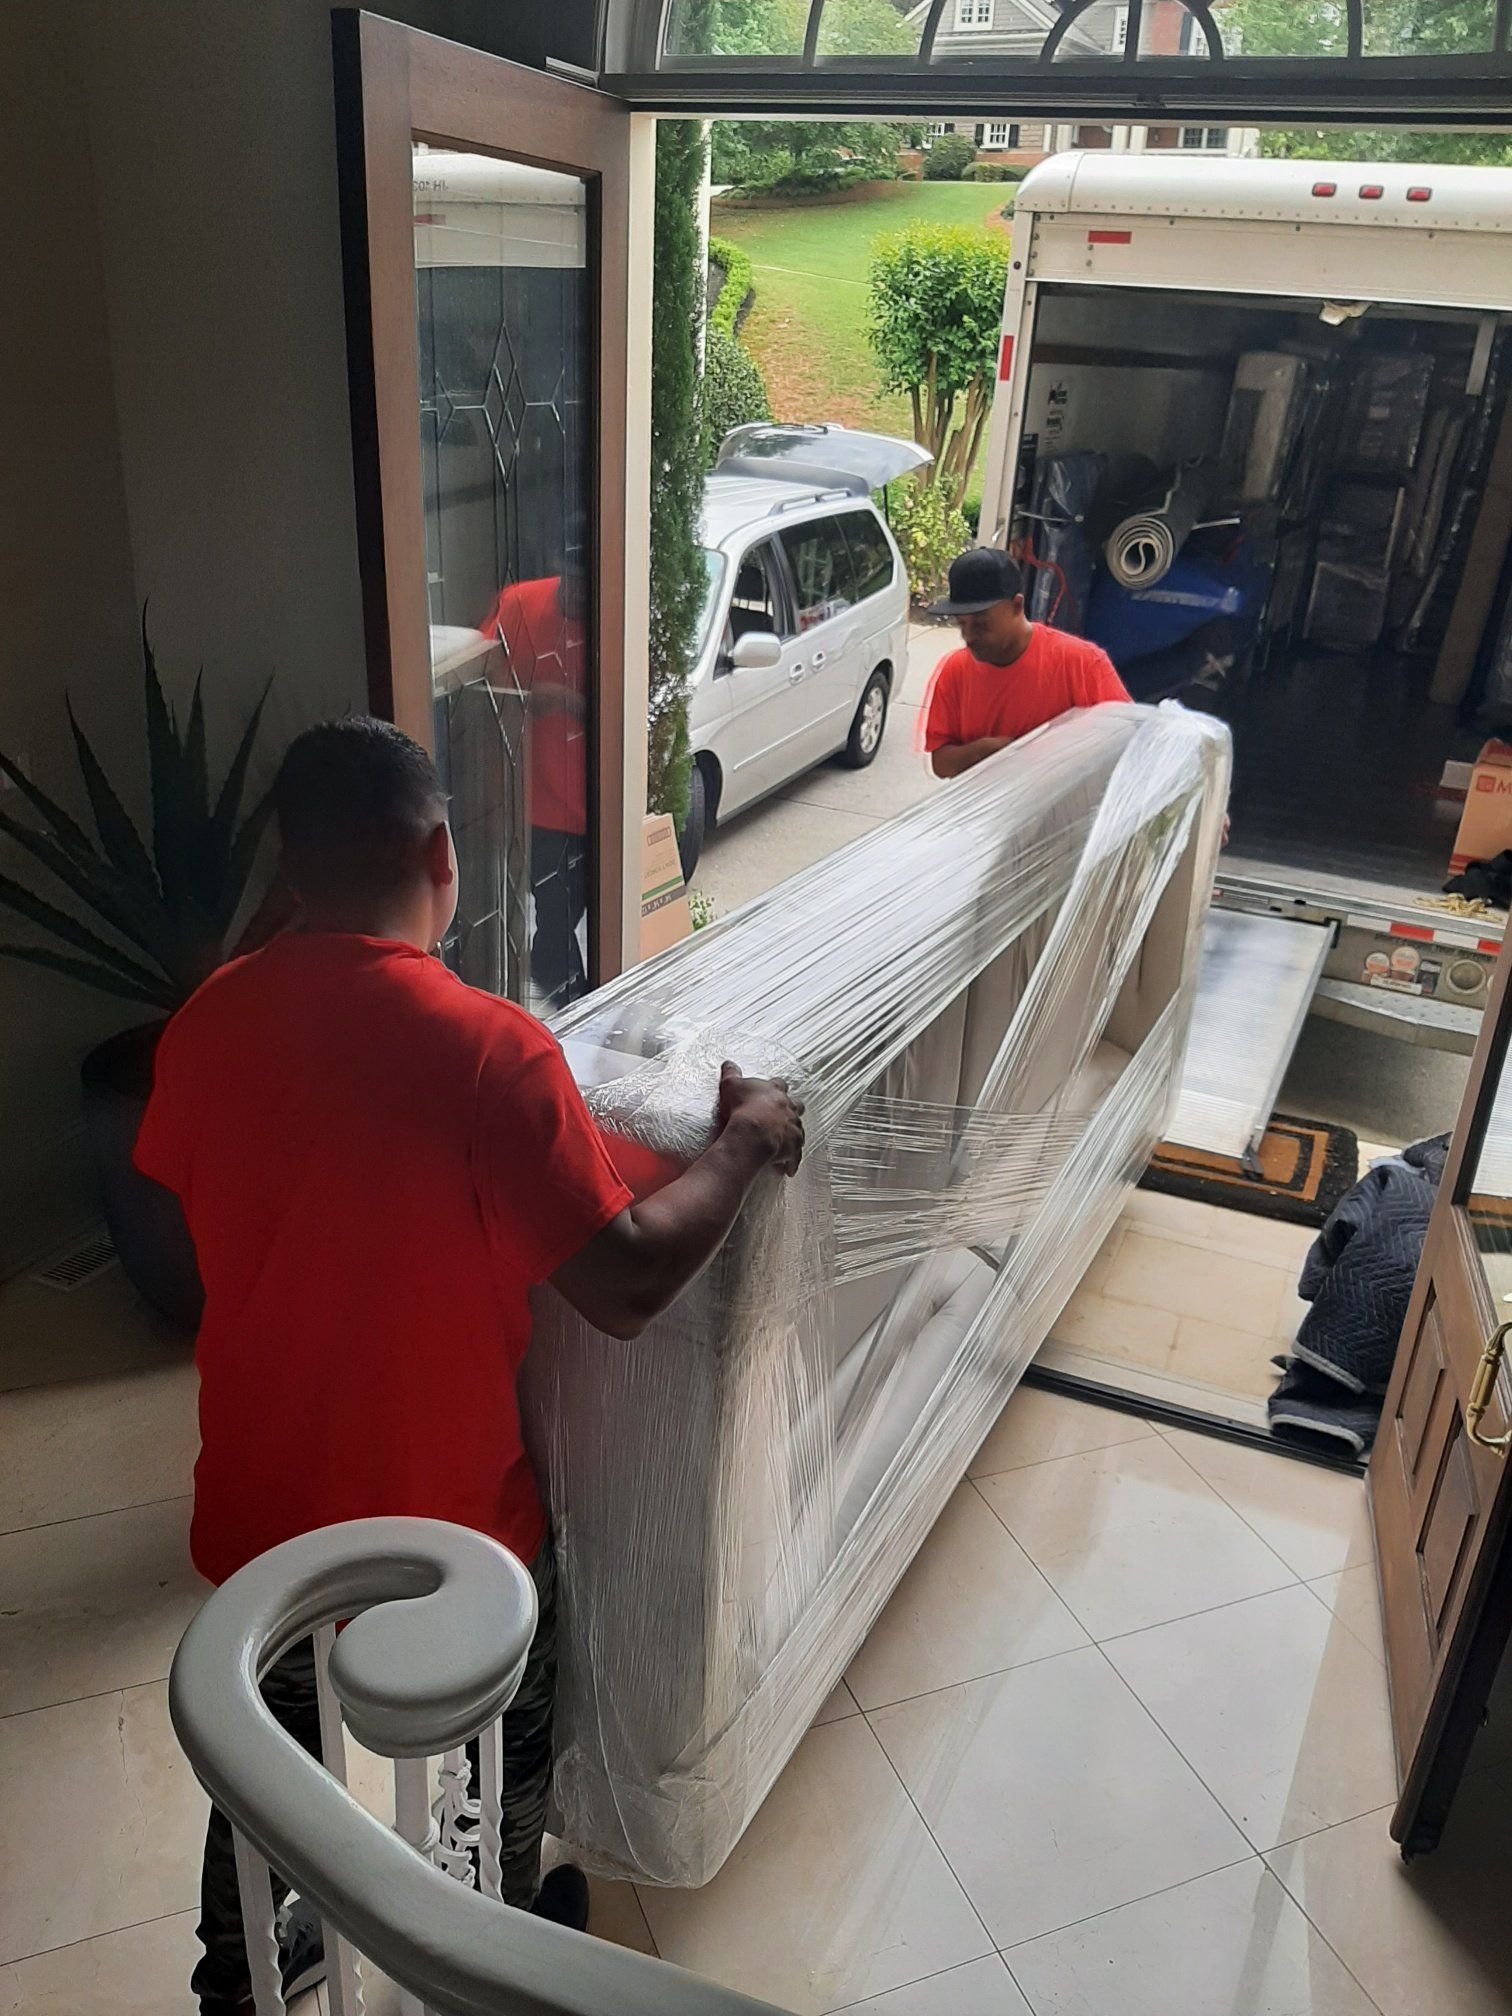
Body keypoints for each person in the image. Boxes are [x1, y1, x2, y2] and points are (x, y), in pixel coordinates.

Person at [135, 716, 805, 2016]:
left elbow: (194, 1186)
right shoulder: (490, 1052)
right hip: (442, 1518)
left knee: (264, 1754)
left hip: (267, 1507)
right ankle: (488, 1937)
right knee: (510, 1726)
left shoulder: (209, 1023)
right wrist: (745, 1142)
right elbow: (626, 1281)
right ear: (442, 852)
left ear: (289, 864)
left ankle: (238, 1978)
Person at [478, 570, 590, 1008]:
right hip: (537, 801)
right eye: (571, 587)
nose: (575, 599)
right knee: (555, 921)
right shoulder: (520, 604)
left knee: (564, 920)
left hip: (591, 801)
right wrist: (531, 695)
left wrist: (571, 703)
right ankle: (575, 1008)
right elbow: (478, 685)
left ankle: (564, 1004)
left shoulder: (608, 623)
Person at [923, 547, 1130, 778]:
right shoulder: (955, 671)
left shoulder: (1082, 663)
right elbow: (941, 764)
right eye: (962, 624)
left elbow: (1125, 741)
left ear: (1017, 606)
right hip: (987, 811)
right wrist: (984, 752)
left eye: (982, 624)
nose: (968, 637)